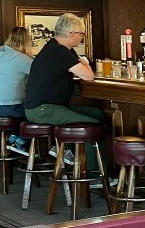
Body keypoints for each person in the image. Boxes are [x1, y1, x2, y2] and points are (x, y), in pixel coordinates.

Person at [23, 14, 106, 173]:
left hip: (48, 106)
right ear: (72, 34)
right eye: (81, 33)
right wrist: (85, 62)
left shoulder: (59, 48)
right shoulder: (58, 52)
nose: (82, 37)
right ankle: (94, 175)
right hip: (42, 109)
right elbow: (89, 76)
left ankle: (63, 149)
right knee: (93, 125)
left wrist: (81, 63)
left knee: (97, 114)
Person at [0, 27, 34, 156]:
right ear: (27, 42)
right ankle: (19, 140)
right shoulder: (24, 59)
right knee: (37, 113)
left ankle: (13, 138)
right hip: (10, 107)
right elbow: (42, 79)